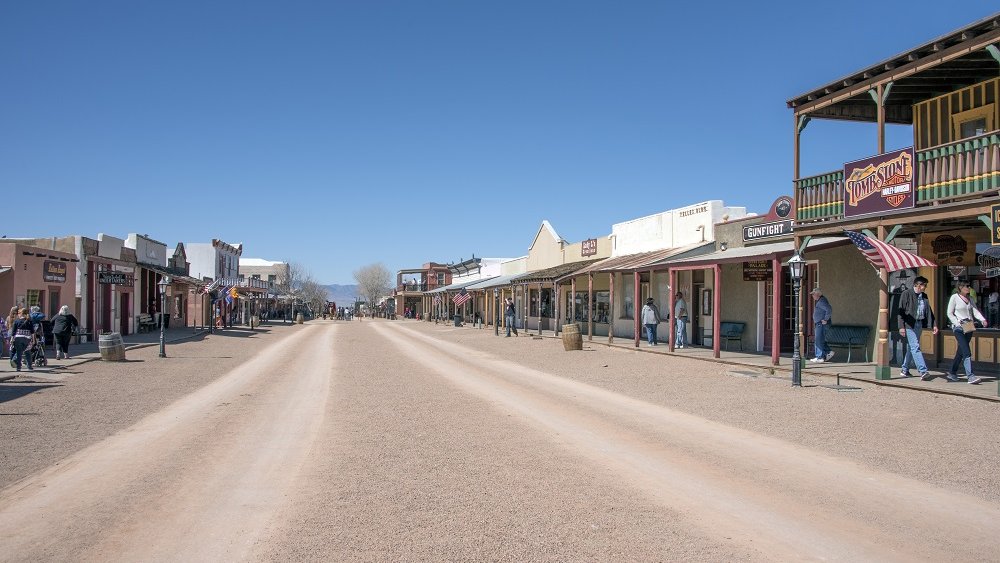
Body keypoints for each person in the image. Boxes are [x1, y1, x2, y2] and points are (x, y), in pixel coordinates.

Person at [946, 281, 988, 384]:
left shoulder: (970, 299)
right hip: (959, 328)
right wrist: (956, 323)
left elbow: (975, 311)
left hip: (969, 326)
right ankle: (970, 376)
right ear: (960, 287)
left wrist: (982, 320)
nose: (969, 288)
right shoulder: (954, 297)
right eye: (967, 286)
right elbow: (949, 313)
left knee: (961, 351)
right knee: (966, 351)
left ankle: (952, 372)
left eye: (969, 286)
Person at [897, 276, 939, 380]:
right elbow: (900, 311)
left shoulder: (924, 296)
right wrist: (901, 326)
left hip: (919, 324)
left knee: (912, 347)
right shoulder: (906, 294)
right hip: (909, 324)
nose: (925, 287)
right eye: (924, 285)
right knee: (915, 346)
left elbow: (929, 310)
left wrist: (934, 324)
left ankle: (904, 369)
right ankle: (923, 371)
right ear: (918, 285)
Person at [809, 288, 834, 362]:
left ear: (818, 294)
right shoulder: (820, 301)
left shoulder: (822, 301)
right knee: (820, 340)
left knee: (818, 340)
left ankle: (820, 357)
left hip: (821, 324)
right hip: (819, 323)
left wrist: (826, 319)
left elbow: (829, 309)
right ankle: (828, 352)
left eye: (813, 294)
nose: (812, 296)